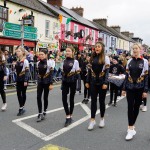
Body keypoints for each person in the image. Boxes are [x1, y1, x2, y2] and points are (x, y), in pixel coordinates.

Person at [122, 43, 148, 141]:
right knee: (130, 106)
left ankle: (132, 126)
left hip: (139, 88)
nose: (135, 50)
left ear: (140, 50)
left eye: (136, 48)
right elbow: (126, 75)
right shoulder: (129, 61)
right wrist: (124, 89)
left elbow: (146, 77)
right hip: (129, 87)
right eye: (133, 49)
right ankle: (130, 128)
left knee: (136, 107)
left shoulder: (144, 61)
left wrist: (145, 90)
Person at [86, 41, 110, 131]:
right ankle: (92, 120)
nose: (97, 48)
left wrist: (105, 83)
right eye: (96, 46)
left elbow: (107, 72)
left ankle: (102, 119)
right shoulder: (92, 58)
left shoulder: (105, 58)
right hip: (93, 82)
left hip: (102, 82)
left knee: (101, 101)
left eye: (99, 46)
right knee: (93, 102)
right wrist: (87, 81)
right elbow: (89, 70)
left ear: (102, 48)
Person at [61, 46, 80, 127]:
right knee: (64, 99)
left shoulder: (75, 61)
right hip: (65, 81)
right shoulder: (63, 61)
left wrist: (78, 85)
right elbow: (62, 71)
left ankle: (70, 115)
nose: (67, 52)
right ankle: (67, 115)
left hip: (72, 82)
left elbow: (77, 73)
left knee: (71, 99)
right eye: (66, 51)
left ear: (73, 52)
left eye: (69, 51)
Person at [36, 49, 54, 122]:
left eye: (42, 54)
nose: (40, 56)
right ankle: (40, 113)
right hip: (40, 82)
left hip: (47, 82)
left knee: (45, 97)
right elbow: (38, 73)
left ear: (46, 55)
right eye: (40, 54)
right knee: (38, 97)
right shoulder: (37, 63)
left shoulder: (50, 63)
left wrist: (51, 83)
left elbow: (51, 74)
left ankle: (44, 111)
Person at [15, 46, 29, 116]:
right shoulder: (18, 60)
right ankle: (21, 107)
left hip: (23, 79)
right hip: (18, 79)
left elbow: (27, 71)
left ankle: (22, 107)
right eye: (17, 51)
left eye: (19, 51)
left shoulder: (25, 61)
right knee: (18, 93)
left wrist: (26, 80)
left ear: (23, 52)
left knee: (23, 93)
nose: (17, 52)